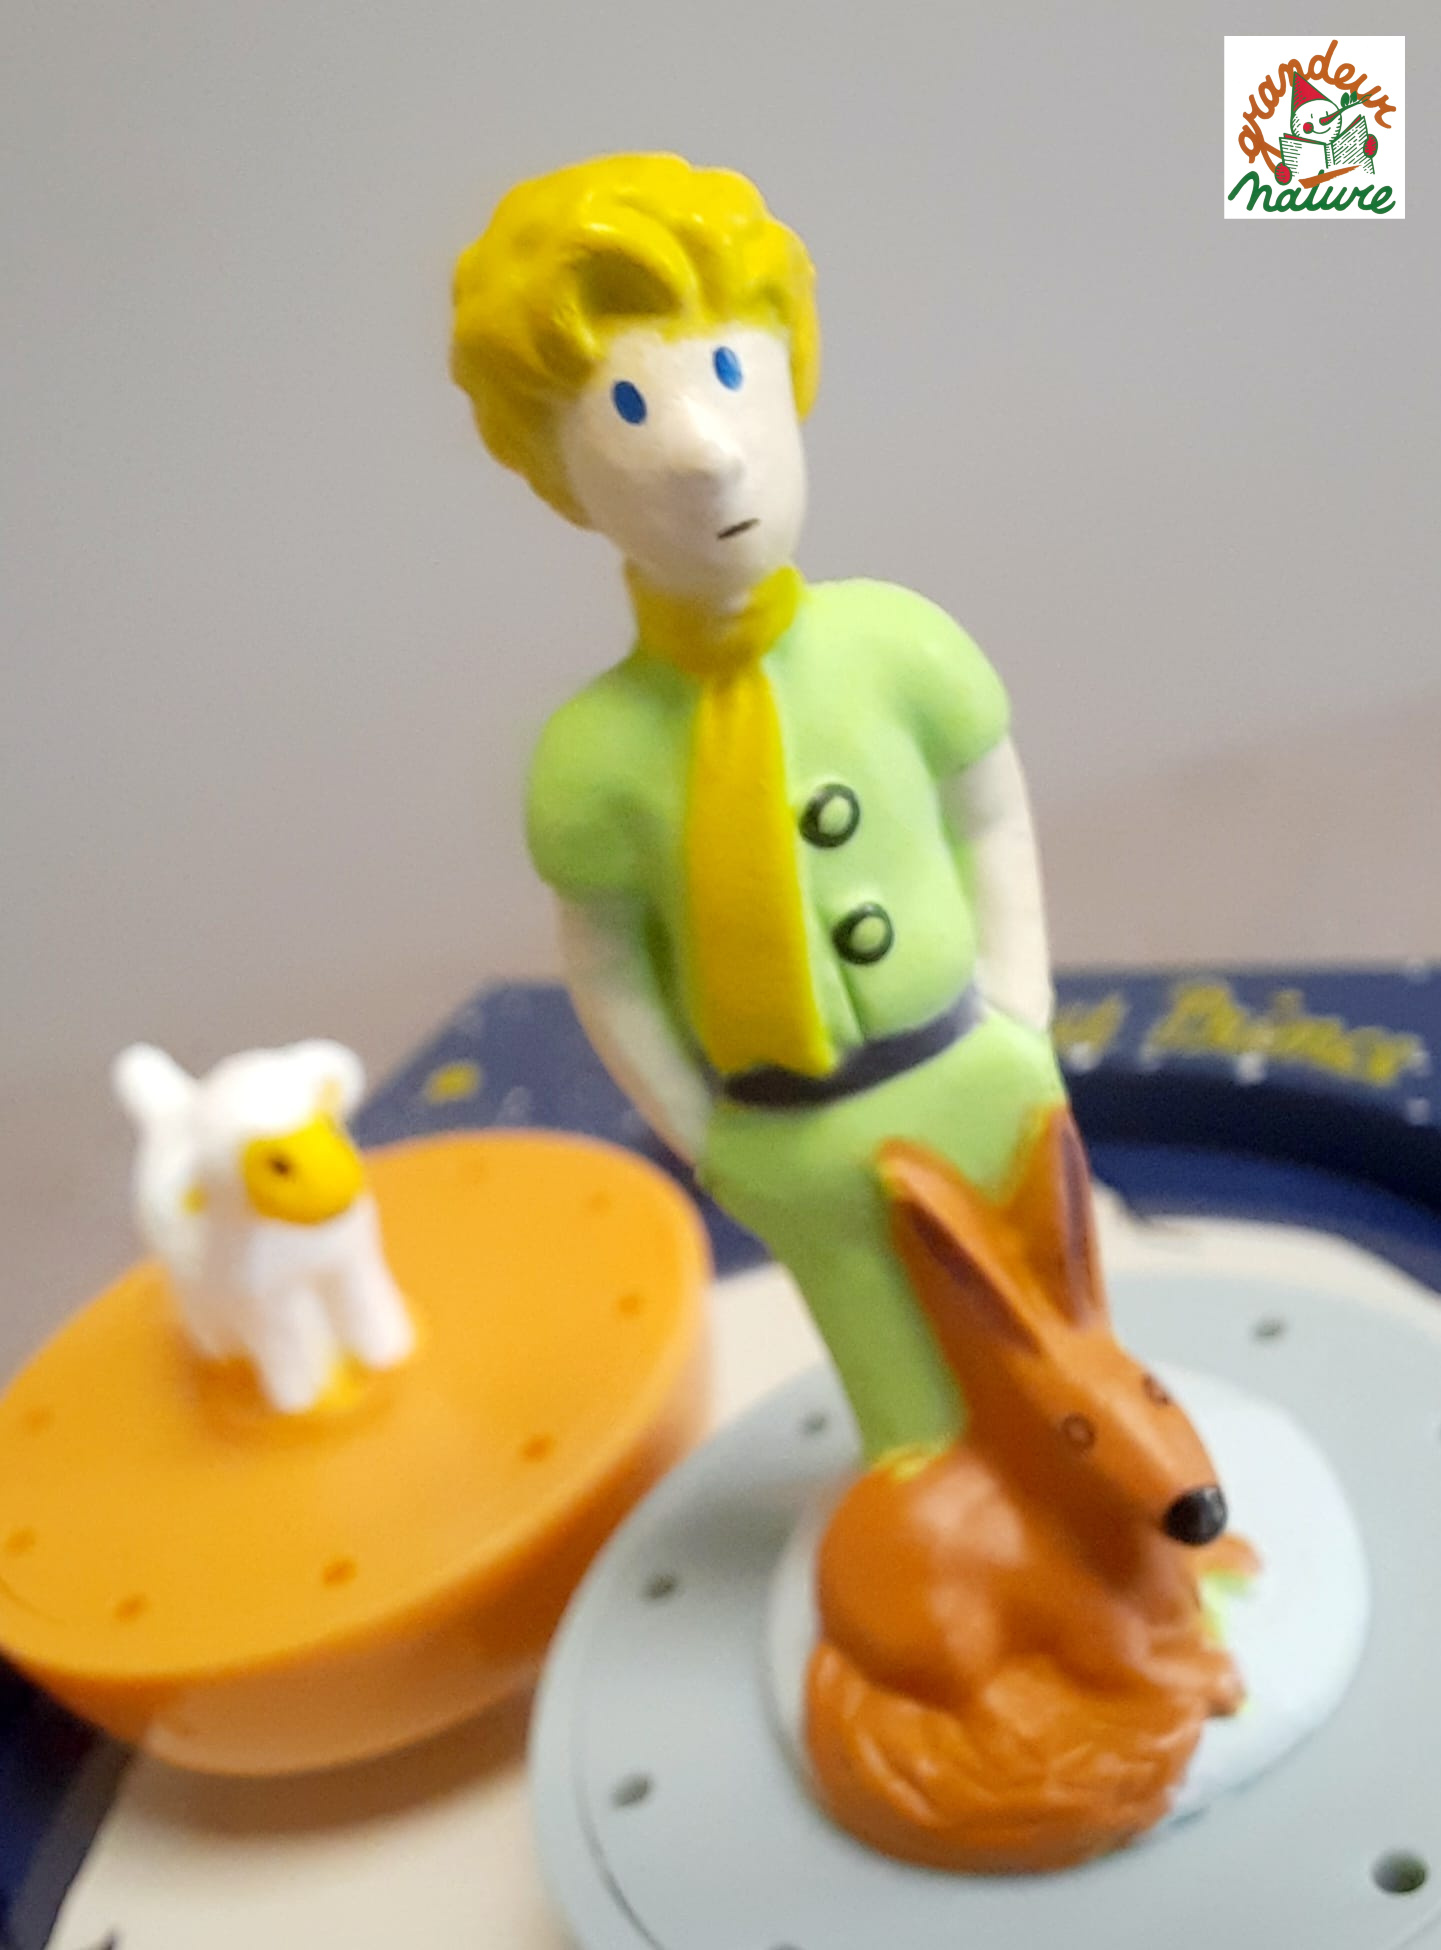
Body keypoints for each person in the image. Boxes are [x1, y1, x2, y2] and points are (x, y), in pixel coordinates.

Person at [451, 153, 1065, 1461]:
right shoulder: (592, 758)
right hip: (789, 1137)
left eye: (730, 373)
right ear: (560, 478)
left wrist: (1018, 1002)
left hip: (974, 1068)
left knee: (1064, 1358)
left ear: (791, 381)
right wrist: (702, 1133)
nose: (702, 453)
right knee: (906, 1414)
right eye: (627, 406)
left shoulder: (900, 646)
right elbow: (606, 964)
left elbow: (990, 813)